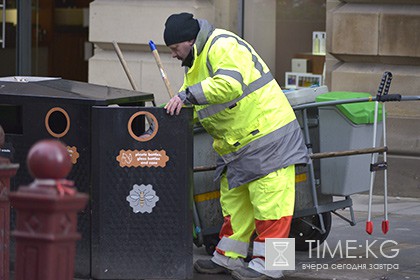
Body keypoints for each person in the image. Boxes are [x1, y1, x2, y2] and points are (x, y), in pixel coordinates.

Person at [163, 12, 310, 280]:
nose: (173, 55)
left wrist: (186, 95)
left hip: (268, 138)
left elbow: (229, 85)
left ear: (189, 41)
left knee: (273, 208)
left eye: (174, 49)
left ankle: (272, 267)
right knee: (235, 204)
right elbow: (194, 104)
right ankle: (228, 257)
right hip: (239, 145)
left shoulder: (222, 45)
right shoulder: (196, 62)